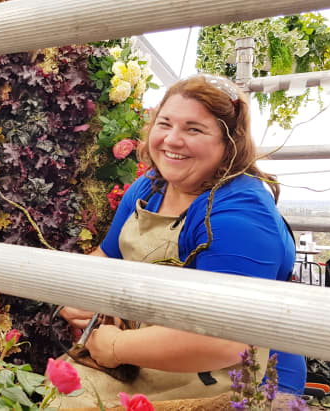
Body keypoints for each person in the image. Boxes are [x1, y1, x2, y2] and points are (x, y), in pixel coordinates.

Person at [59, 74, 305, 406]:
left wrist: (116, 347)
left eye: (194, 129)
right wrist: (78, 294)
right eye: (165, 124)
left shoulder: (240, 215)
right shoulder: (149, 188)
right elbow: (107, 256)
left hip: (236, 380)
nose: (172, 140)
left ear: (229, 142)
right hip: (156, 359)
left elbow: (226, 340)